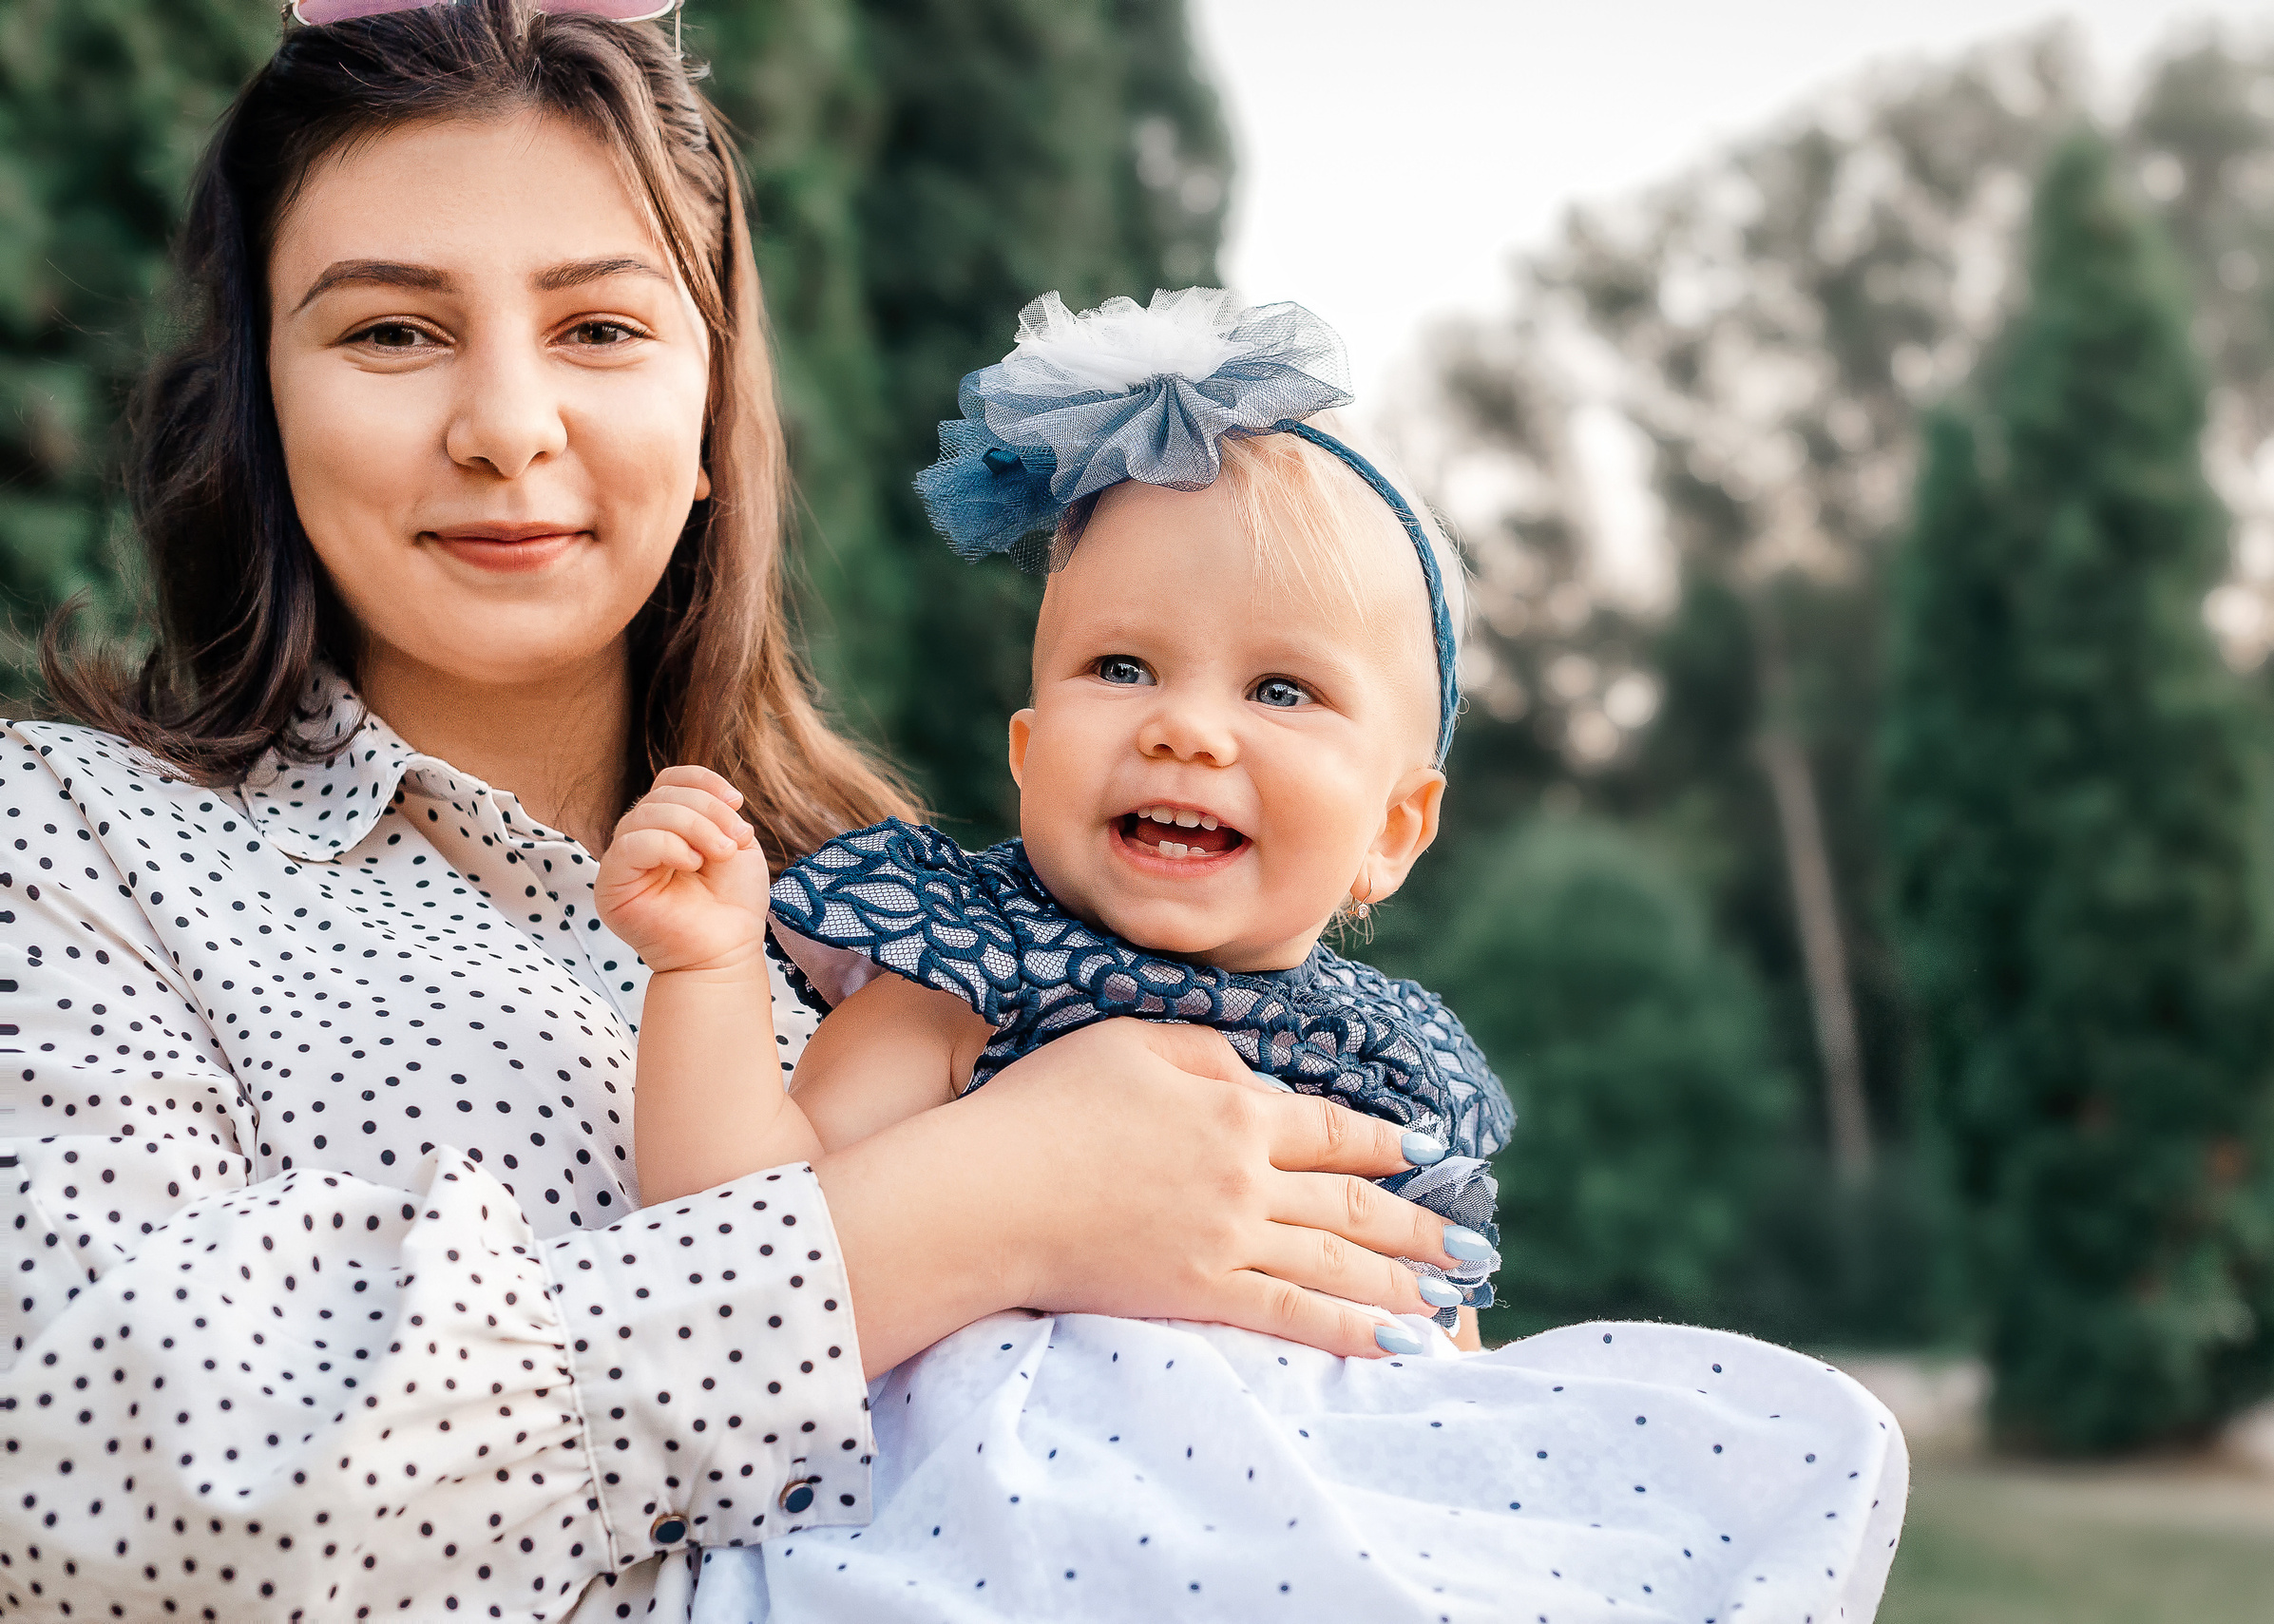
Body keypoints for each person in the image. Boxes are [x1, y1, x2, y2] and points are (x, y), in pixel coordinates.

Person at [0, 8, 1471, 1620]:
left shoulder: (895, 915)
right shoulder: (71, 845)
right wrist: (984, 1208)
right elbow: (96, 1483)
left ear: (712, 413)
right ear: (264, 409)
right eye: (390, 334)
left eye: (602, 330)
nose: (504, 423)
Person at [598, 290, 1910, 1623]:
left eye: (1280, 690)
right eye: (1120, 665)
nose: (1187, 730)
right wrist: (702, 972)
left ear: (1395, 829)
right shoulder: (964, 976)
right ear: (1028, 751)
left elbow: (1433, 1372)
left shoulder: (1380, 1070)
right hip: (1002, 1534)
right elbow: (742, 1232)